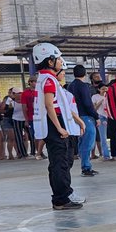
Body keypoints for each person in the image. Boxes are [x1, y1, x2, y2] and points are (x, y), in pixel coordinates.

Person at [32, 41, 85, 210]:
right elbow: (49, 105)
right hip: (54, 123)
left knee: (59, 162)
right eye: (59, 58)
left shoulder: (47, 79)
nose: (61, 62)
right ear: (50, 61)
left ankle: (63, 196)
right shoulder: (48, 80)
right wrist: (59, 127)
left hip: (54, 122)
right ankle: (61, 199)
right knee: (59, 163)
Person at [67, 65, 100, 176]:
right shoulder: (83, 86)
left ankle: (85, 164)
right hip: (85, 117)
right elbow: (87, 103)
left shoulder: (70, 86)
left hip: (75, 116)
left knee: (82, 141)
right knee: (88, 142)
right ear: (85, 74)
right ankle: (86, 167)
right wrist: (96, 116)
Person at [20, 77, 42, 158]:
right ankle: (39, 152)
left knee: (42, 135)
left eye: (36, 81)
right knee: (35, 136)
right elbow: (24, 107)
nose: (34, 83)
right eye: (33, 81)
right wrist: (26, 119)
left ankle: (39, 151)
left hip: (40, 117)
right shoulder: (25, 93)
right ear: (30, 82)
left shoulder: (40, 91)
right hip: (31, 117)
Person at [92, 84, 113, 160]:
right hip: (101, 117)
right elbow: (94, 108)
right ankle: (106, 155)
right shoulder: (95, 97)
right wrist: (101, 101)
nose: (105, 90)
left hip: (109, 116)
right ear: (99, 89)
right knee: (103, 137)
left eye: (106, 89)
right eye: (103, 89)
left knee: (113, 136)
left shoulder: (109, 96)